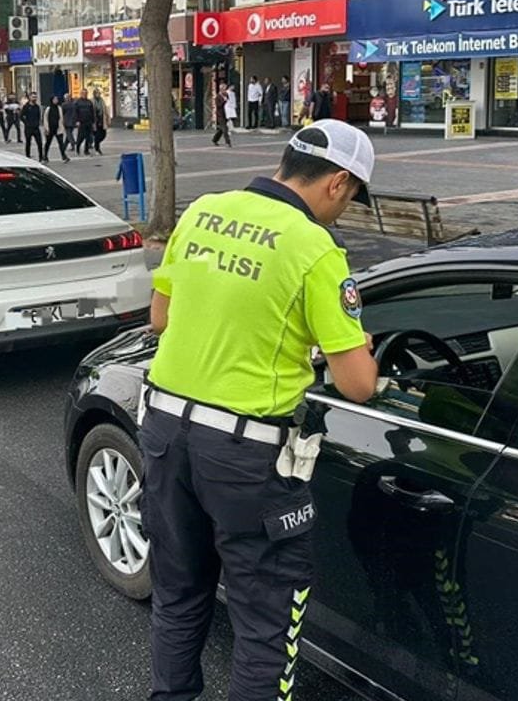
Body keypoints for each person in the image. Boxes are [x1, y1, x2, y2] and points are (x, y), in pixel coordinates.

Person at [141, 119, 380, 701]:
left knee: (178, 594)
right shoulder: (314, 248)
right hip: (246, 458)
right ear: (338, 183)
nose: (343, 210)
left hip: (165, 432)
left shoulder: (203, 211)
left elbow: (160, 318)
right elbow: (358, 385)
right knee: (263, 624)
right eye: (350, 198)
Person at [42, 95, 70, 163]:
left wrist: (62, 126)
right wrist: (46, 128)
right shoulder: (48, 108)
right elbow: (45, 119)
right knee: (48, 143)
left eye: (57, 99)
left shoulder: (59, 108)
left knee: (61, 143)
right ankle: (45, 157)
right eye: (54, 99)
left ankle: (64, 156)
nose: (56, 100)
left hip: (58, 129)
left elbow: (61, 118)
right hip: (50, 129)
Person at [20, 92, 44, 162]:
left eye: (35, 97)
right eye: (33, 97)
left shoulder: (37, 107)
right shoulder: (26, 106)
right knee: (28, 142)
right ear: (30, 97)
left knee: (39, 143)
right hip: (28, 128)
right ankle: (27, 155)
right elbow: (21, 116)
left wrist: (38, 123)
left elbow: (39, 116)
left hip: (36, 128)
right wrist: (26, 123)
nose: (34, 98)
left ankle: (41, 157)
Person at [73, 90, 96, 156]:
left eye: (86, 93)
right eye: (83, 93)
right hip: (81, 122)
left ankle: (86, 150)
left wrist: (93, 122)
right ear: (81, 94)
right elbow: (75, 112)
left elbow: (92, 112)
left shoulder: (89, 102)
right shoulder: (77, 102)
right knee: (81, 136)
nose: (85, 94)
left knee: (88, 137)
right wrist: (77, 121)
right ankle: (77, 148)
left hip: (89, 122)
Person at [211, 82, 232, 147]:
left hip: (226, 114)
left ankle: (215, 139)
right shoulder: (218, 97)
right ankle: (228, 142)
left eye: (225, 89)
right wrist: (224, 101)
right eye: (224, 89)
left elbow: (229, 104)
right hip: (220, 115)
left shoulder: (226, 95)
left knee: (221, 129)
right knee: (225, 129)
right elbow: (218, 105)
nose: (225, 90)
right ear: (221, 89)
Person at [91, 88, 108, 154]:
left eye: (99, 93)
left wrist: (107, 118)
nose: (99, 94)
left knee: (103, 134)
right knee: (97, 135)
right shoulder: (92, 101)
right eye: (97, 93)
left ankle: (96, 143)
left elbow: (105, 109)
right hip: (95, 120)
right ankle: (97, 148)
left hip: (102, 119)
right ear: (94, 94)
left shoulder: (102, 100)